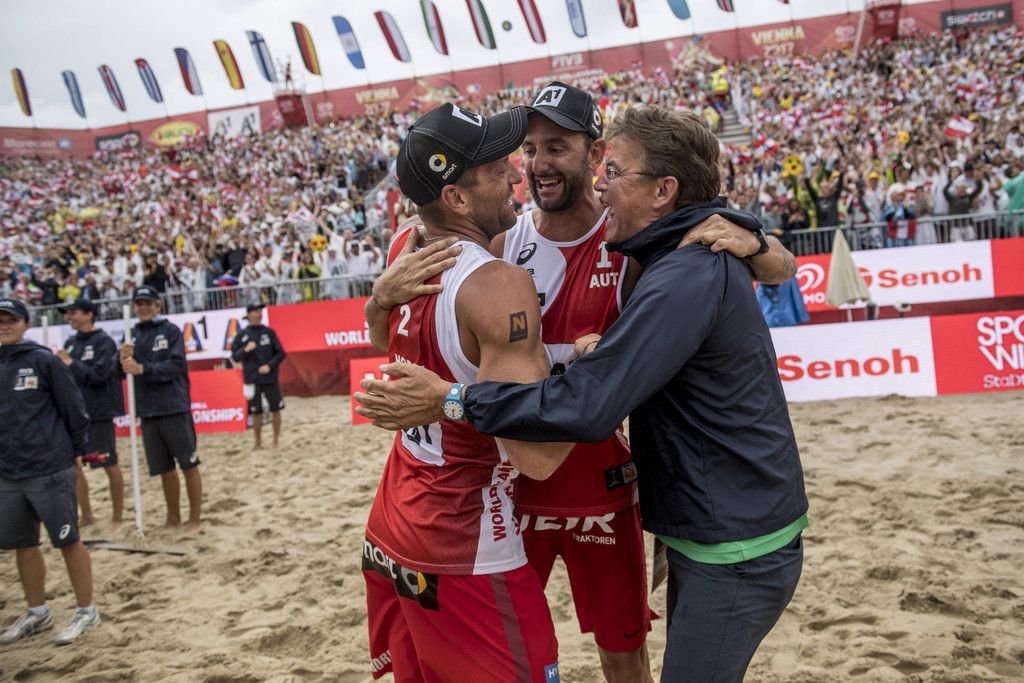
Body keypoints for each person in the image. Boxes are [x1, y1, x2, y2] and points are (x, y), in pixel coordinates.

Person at [357, 106, 808, 683]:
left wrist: (760, 244)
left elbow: (760, 264)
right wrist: (379, 299)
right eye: (524, 152)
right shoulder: (493, 247)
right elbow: (406, 341)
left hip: (598, 485)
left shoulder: (638, 245)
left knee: (624, 653)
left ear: (593, 153)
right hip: (512, 495)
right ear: (457, 198)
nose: (530, 167)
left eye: (558, 148)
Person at [360, 103, 573, 681]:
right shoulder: (499, 285)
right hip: (466, 541)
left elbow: (381, 334)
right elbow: (534, 457)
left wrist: (378, 298)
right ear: (455, 197)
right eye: (498, 169)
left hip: (391, 520)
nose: (517, 174)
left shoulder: (405, 246)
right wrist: (604, 373)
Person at [0, 298, 100, 646]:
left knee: (68, 540)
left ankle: (86, 610)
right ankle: (37, 611)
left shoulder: (43, 360)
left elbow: (74, 407)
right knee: (23, 545)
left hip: (49, 466)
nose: (4, 325)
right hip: (8, 471)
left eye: (11, 319)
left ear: (25, 324)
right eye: (0, 320)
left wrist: (76, 450)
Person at [120, 286, 203, 534]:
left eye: (149, 303)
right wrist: (121, 358)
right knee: (164, 468)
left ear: (158, 305)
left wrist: (144, 369)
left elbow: (176, 366)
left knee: (188, 464)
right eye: (139, 303)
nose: (144, 307)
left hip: (173, 406)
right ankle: (173, 518)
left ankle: (195, 519)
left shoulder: (171, 331)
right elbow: (121, 371)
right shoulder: (130, 335)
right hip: (147, 411)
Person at [56, 299, 125, 534]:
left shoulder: (104, 341)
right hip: (75, 413)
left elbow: (100, 375)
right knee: (74, 465)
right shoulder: (71, 342)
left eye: (73, 312)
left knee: (108, 462)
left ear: (89, 314)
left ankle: (118, 517)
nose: (69, 317)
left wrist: (70, 363)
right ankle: (86, 515)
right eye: (67, 313)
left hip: (98, 412)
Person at [230, 303, 287, 450]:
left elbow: (281, 353)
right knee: (256, 411)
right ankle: (257, 442)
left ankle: (276, 441)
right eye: (256, 311)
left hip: (270, 377)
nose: (259, 313)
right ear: (249, 314)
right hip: (252, 379)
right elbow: (235, 357)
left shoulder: (269, 332)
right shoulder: (242, 335)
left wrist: (269, 365)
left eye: (260, 311)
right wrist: (246, 349)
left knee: (276, 409)